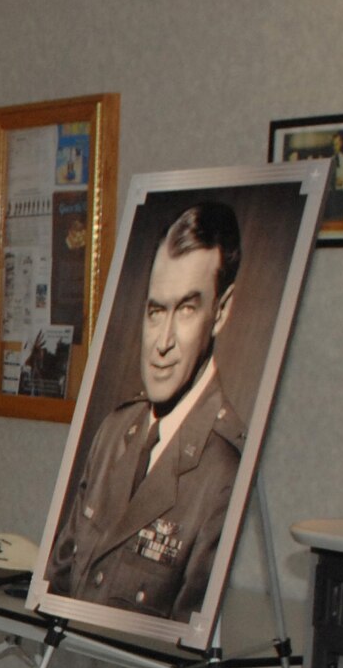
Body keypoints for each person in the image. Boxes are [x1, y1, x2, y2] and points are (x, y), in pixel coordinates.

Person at [44, 202, 244, 622]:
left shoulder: (225, 472)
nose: (163, 342)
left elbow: (183, 649)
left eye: (187, 310)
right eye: (156, 311)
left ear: (220, 312)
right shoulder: (115, 432)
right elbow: (58, 584)